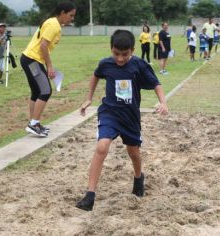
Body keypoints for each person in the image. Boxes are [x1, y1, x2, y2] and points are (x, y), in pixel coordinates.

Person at [76, 29, 168, 211]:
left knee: (133, 151)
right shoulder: (106, 64)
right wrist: (89, 97)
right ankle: (90, 195)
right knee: (101, 146)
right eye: (116, 54)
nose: (119, 58)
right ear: (111, 49)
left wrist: (163, 102)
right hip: (110, 113)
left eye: (124, 54)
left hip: (130, 117)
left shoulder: (139, 65)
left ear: (132, 50)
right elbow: (95, 75)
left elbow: (156, 84)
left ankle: (138, 177)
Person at [20, 2, 76, 137]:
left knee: (37, 92)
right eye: (71, 15)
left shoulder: (53, 23)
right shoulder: (53, 25)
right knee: (45, 91)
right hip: (32, 60)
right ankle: (33, 124)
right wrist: (49, 66)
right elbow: (43, 46)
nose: (72, 18)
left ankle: (34, 123)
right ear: (62, 13)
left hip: (31, 59)